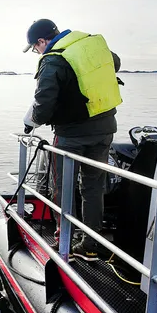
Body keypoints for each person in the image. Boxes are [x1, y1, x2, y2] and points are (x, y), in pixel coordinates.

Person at [22, 19, 122, 260]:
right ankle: (90, 243)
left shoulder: (53, 59)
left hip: (71, 136)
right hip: (105, 130)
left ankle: (63, 237)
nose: (37, 52)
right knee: (93, 186)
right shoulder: (90, 46)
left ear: (42, 41)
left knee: (62, 187)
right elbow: (115, 63)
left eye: (35, 48)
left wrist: (30, 123)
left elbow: (43, 106)